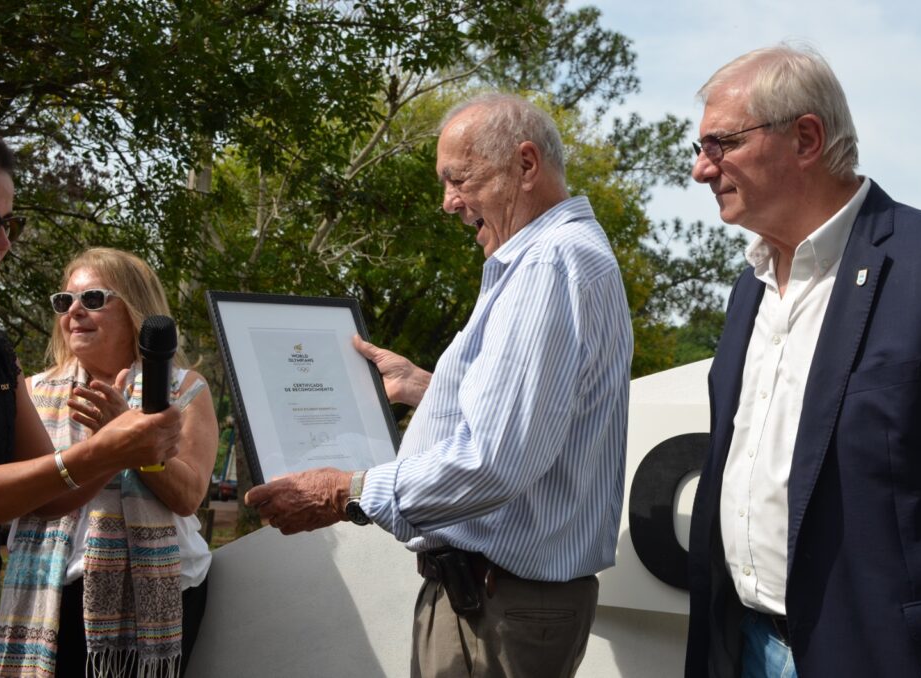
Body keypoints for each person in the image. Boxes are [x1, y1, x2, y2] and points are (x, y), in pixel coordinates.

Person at [246, 93, 633, 677]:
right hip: (496, 602)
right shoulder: (557, 256)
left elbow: (493, 461)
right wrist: (430, 388)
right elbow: (543, 413)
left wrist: (343, 491)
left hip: (497, 607)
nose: (449, 202)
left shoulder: (548, 263)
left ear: (526, 166)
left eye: (459, 179)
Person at [684, 44, 921, 678]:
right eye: (700, 148)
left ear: (806, 137)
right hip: (744, 646)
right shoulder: (748, 289)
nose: (702, 170)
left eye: (720, 144)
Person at [0, 247, 218, 678]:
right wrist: (110, 448)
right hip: (49, 592)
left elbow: (189, 495)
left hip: (156, 594)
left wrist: (133, 441)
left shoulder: (184, 388)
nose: (74, 311)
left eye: (92, 299)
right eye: (65, 302)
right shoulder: (32, 392)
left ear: (136, 308)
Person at [0, 130, 181, 599]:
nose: (3, 244)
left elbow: (51, 495)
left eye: (8, 225)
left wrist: (119, 446)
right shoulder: (35, 383)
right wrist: (104, 451)